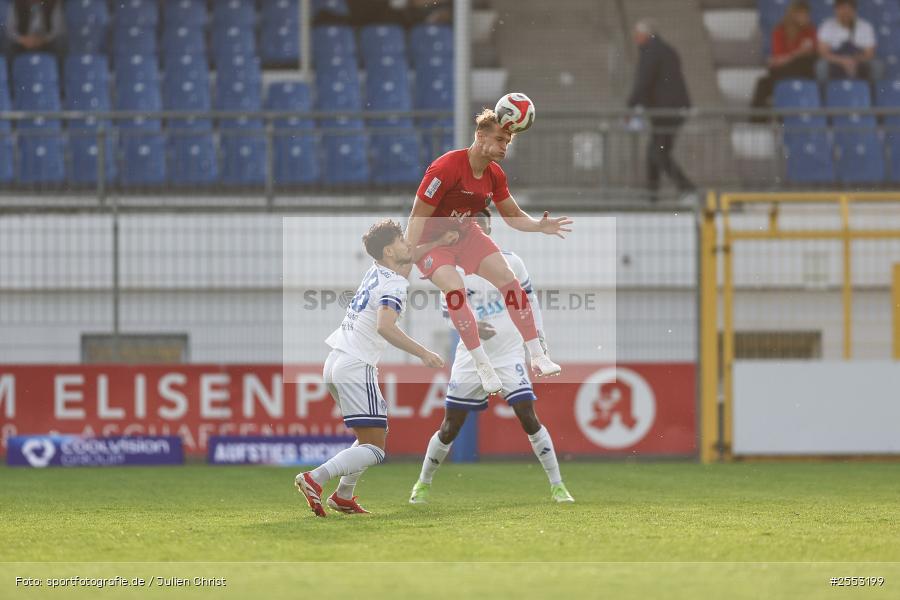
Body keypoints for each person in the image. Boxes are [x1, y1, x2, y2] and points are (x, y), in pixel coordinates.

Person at [406, 208, 575, 505]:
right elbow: (448, 311)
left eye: (483, 223)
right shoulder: (452, 268)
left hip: (509, 353)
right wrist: (470, 327)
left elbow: (530, 303)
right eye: (473, 223)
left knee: (528, 417)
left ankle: (558, 486)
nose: (478, 227)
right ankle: (422, 483)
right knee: (450, 427)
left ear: (490, 228)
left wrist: (539, 347)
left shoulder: (511, 263)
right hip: (472, 356)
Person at [404, 109, 572, 398]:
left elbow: (512, 215)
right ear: (480, 136)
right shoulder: (445, 168)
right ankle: (483, 365)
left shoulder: (495, 174)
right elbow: (418, 217)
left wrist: (538, 226)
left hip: (466, 234)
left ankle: (537, 355)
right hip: (434, 241)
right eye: (499, 139)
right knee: (454, 287)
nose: (504, 146)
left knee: (508, 278)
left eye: (508, 141)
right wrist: (406, 259)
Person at [295, 220, 457, 517]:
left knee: (370, 437)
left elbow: (408, 260)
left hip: (336, 361)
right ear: (388, 250)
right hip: (356, 364)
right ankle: (314, 478)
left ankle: (343, 496)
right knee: (376, 449)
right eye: (400, 240)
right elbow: (385, 326)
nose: (407, 243)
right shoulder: (393, 283)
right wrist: (423, 353)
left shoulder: (378, 271)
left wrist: (436, 243)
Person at [627, 19, 695, 201]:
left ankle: (686, 188)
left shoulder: (651, 52)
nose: (635, 39)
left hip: (666, 112)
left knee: (658, 152)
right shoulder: (665, 49)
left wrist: (631, 106)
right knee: (655, 152)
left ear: (645, 35)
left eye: (637, 35)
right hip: (672, 110)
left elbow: (644, 82)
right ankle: (653, 194)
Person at [751, 1, 817, 114]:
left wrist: (790, 57)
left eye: (807, 15)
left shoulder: (810, 31)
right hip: (784, 70)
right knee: (762, 83)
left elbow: (812, 53)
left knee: (801, 62)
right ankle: (756, 121)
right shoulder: (780, 31)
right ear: (794, 15)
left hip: (803, 70)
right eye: (803, 15)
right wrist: (797, 53)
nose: (807, 18)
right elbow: (778, 58)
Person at [816, 0, 879, 81]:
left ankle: (871, 91)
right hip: (835, 60)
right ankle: (825, 92)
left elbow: (869, 53)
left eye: (849, 9)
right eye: (842, 9)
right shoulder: (827, 26)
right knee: (821, 65)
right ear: (836, 10)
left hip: (858, 60)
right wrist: (842, 61)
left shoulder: (865, 26)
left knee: (877, 66)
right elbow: (823, 53)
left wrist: (853, 60)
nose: (846, 12)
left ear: (854, 11)